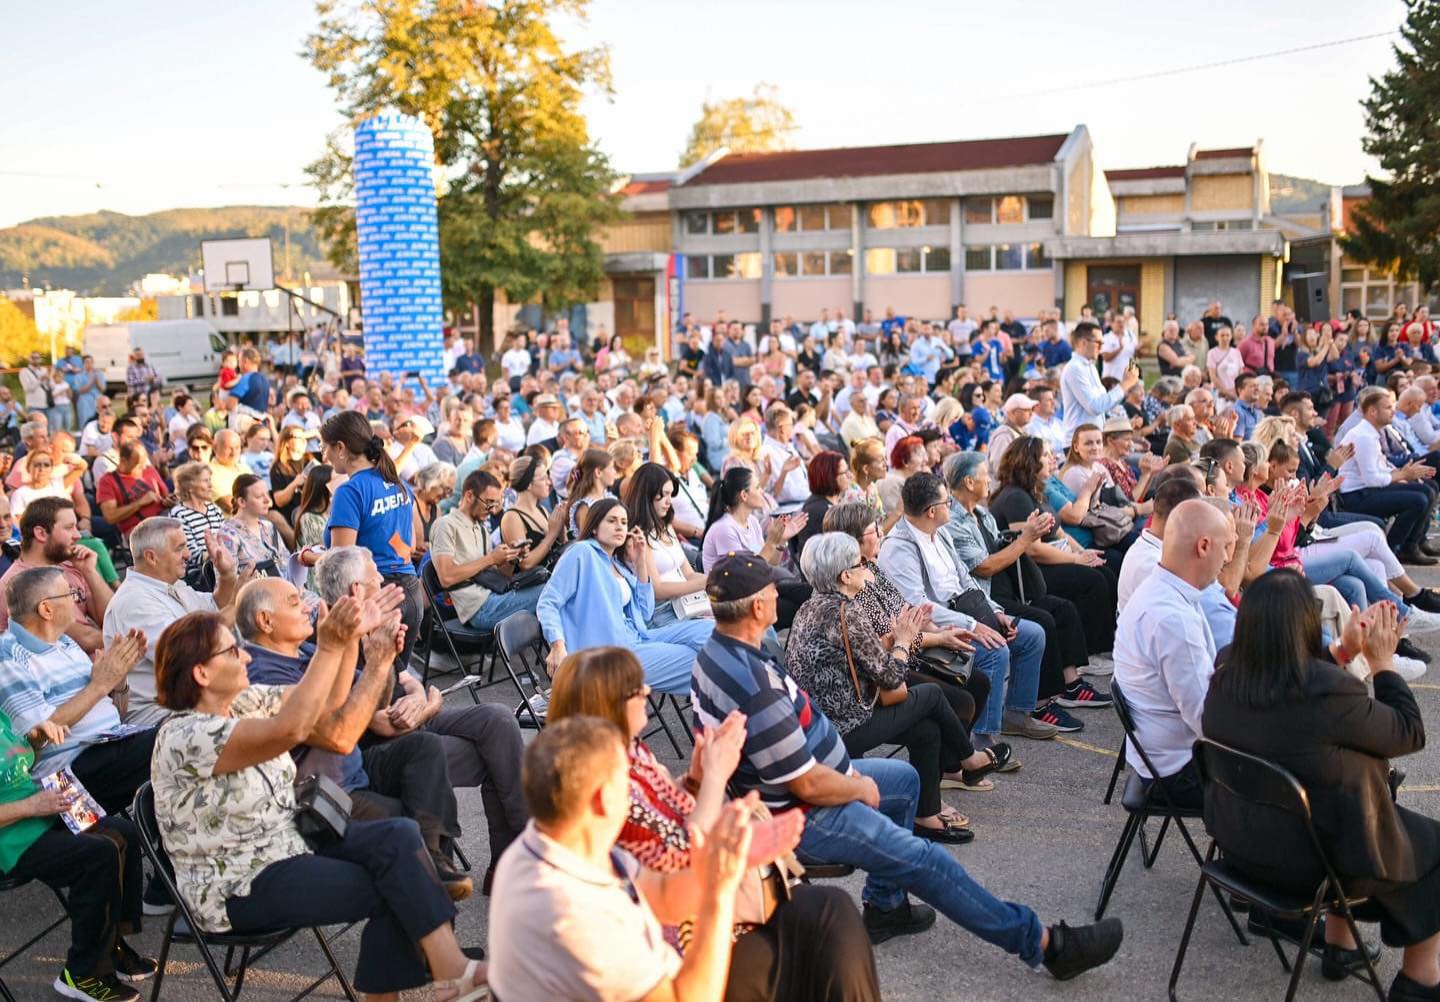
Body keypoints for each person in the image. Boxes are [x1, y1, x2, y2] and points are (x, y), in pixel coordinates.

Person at [692, 551, 1124, 975]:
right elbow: (806, 785)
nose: (778, 592)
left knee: (905, 779)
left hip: (805, 783)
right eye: (771, 588)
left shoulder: (717, 652)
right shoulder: (753, 684)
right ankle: (1045, 945)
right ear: (759, 606)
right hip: (802, 813)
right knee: (927, 860)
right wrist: (857, 786)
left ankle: (885, 906)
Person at [149, 606, 486, 1002]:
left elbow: (325, 701)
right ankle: (445, 975)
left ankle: (450, 973)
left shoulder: (241, 702)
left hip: (290, 840)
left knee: (400, 836)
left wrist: (345, 643)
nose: (245, 656)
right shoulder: (184, 736)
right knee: (395, 883)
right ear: (201, 674)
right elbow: (290, 728)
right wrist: (327, 645)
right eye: (231, 652)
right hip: (238, 883)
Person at [543, 645, 882, 1001]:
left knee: (832, 913)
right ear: (606, 705)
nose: (648, 692)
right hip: (683, 938)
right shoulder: (602, 786)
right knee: (827, 928)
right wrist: (716, 776)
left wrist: (695, 778)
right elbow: (684, 855)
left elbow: (670, 816)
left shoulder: (631, 752)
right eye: (635, 689)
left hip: (705, 903)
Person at [1202, 572, 1440, 1000]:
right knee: (1432, 846)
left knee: (1340, 792)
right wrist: (1382, 663)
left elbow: (1293, 693)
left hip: (1239, 849)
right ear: (1307, 625)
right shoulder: (1328, 692)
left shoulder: (1225, 671)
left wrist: (1345, 651)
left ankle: (1340, 946)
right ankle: (1421, 982)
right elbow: (1408, 733)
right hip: (1311, 869)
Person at [488, 716, 765, 1002]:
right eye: (628, 780)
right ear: (604, 798)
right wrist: (719, 894)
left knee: (806, 922)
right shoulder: (575, 915)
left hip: (653, 970)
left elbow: (662, 895)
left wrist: (720, 864)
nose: (637, 791)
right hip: (671, 985)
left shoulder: (549, 845)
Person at [314, 546, 529, 893]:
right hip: (394, 748)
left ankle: (519, 857)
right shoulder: (337, 640)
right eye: (375, 576)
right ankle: (517, 862)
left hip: (417, 721)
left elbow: (410, 679)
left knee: (499, 718)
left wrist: (421, 699)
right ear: (356, 590)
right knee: (497, 755)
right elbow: (381, 725)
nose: (383, 579)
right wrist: (425, 706)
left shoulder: (376, 623)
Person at [789, 532, 1008, 841]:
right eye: (860, 564)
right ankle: (968, 758)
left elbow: (868, 657)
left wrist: (900, 636)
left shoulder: (813, 606)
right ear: (845, 575)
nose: (868, 568)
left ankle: (926, 815)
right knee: (931, 694)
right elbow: (891, 677)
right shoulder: (845, 613)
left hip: (823, 722)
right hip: (843, 727)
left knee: (927, 730)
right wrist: (904, 639)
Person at [877, 473, 1054, 745]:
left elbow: (967, 580)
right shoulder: (898, 548)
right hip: (936, 626)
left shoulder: (940, 532)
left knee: (1033, 635)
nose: (952, 504)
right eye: (948, 501)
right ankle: (981, 739)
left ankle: (1016, 715)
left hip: (966, 610)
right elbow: (918, 606)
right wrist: (971, 625)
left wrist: (995, 612)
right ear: (932, 510)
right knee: (995, 650)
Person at [943, 453, 1107, 726]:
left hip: (1005, 591)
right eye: (985, 474)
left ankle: (1071, 684)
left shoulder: (982, 514)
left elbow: (1002, 549)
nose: (990, 479)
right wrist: (1026, 538)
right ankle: (1039, 704)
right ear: (970, 482)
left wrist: (1028, 532)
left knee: (1061, 608)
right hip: (984, 599)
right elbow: (984, 567)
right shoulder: (954, 522)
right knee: (1042, 620)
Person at [1112, 499, 1237, 806]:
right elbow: (1209, 722)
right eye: (1226, 548)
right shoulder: (1173, 619)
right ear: (1204, 546)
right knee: (1304, 773)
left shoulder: (1161, 590)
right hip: (1177, 772)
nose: (1228, 559)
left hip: (1160, 759)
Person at [538, 497, 713, 695]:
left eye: (623, 522)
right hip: (609, 654)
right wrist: (557, 645)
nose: (619, 527)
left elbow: (645, 613)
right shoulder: (582, 552)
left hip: (638, 637)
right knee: (702, 663)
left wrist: (640, 564)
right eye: (611, 521)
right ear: (594, 527)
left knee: (712, 631)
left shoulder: (615, 563)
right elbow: (548, 602)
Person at [102, 517, 240, 726]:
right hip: (161, 718)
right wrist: (243, 601)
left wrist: (227, 575)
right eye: (179, 548)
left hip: (193, 704)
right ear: (151, 557)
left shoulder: (170, 585)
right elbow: (190, 650)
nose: (188, 554)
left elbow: (216, 605)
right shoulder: (134, 601)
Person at [321, 410, 423, 669]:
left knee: (373, 690)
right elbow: (412, 543)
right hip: (410, 591)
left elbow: (342, 562)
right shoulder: (395, 481)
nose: (325, 457)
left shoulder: (350, 491)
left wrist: (309, 557)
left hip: (376, 596)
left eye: (326, 448)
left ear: (341, 447)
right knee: (396, 687)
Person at [431, 469, 546, 633]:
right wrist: (491, 558)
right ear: (469, 496)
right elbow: (446, 577)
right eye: (489, 502)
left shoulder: (480, 529)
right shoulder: (446, 525)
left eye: (496, 503)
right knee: (551, 591)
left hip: (494, 597)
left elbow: (497, 578)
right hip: (478, 609)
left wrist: (512, 558)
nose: (492, 509)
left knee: (552, 585)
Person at [701, 467, 811, 629]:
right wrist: (771, 542)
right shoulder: (724, 529)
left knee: (811, 593)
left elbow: (770, 564)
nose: (762, 492)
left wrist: (780, 541)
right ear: (744, 495)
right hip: (736, 600)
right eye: (758, 487)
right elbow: (742, 574)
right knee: (801, 609)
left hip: (756, 588)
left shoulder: (752, 522)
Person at [1336, 388, 1437, 564]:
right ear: (1373, 411)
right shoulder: (1363, 436)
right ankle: (1392, 550)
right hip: (1356, 496)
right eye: (1388, 407)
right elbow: (1372, 480)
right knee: (1418, 499)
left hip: (1367, 490)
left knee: (1427, 490)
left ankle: (1411, 545)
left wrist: (1403, 474)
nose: (1394, 411)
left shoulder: (1370, 432)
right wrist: (1402, 475)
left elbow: (1379, 468)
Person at [0, 497, 112, 655]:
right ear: (41, 533)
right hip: (63, 675)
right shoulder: (20, 584)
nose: (78, 535)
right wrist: (129, 637)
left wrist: (90, 572)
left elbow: (113, 618)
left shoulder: (69, 566)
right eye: (69, 528)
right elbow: (85, 640)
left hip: (94, 665)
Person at [620, 463, 709, 628]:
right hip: (661, 613)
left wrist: (715, 580)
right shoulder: (637, 535)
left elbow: (688, 574)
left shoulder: (665, 525)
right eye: (665, 494)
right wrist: (703, 583)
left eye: (671, 494)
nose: (669, 501)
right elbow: (657, 589)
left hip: (687, 603)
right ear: (648, 494)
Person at [1060, 322, 1138, 441]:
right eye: (1098, 343)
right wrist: (1124, 385)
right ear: (1083, 343)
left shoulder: (1090, 367)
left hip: (1092, 439)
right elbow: (1095, 407)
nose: (1102, 348)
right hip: (1078, 443)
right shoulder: (1075, 368)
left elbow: (1102, 405)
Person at [218, 474, 290, 578]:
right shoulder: (227, 534)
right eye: (259, 496)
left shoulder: (268, 527)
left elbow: (285, 561)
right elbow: (228, 580)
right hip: (254, 592)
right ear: (242, 502)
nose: (267, 500)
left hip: (283, 588)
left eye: (267, 494)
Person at [167, 462, 226, 579]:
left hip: (221, 564)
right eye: (205, 481)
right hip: (199, 573)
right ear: (189, 487)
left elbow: (227, 540)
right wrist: (219, 554)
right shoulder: (179, 514)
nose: (211, 485)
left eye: (210, 480)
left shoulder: (214, 509)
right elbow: (191, 555)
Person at [564, 447, 618, 538]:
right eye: (612, 468)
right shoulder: (586, 507)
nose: (615, 472)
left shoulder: (610, 497)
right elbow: (586, 539)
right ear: (598, 472)